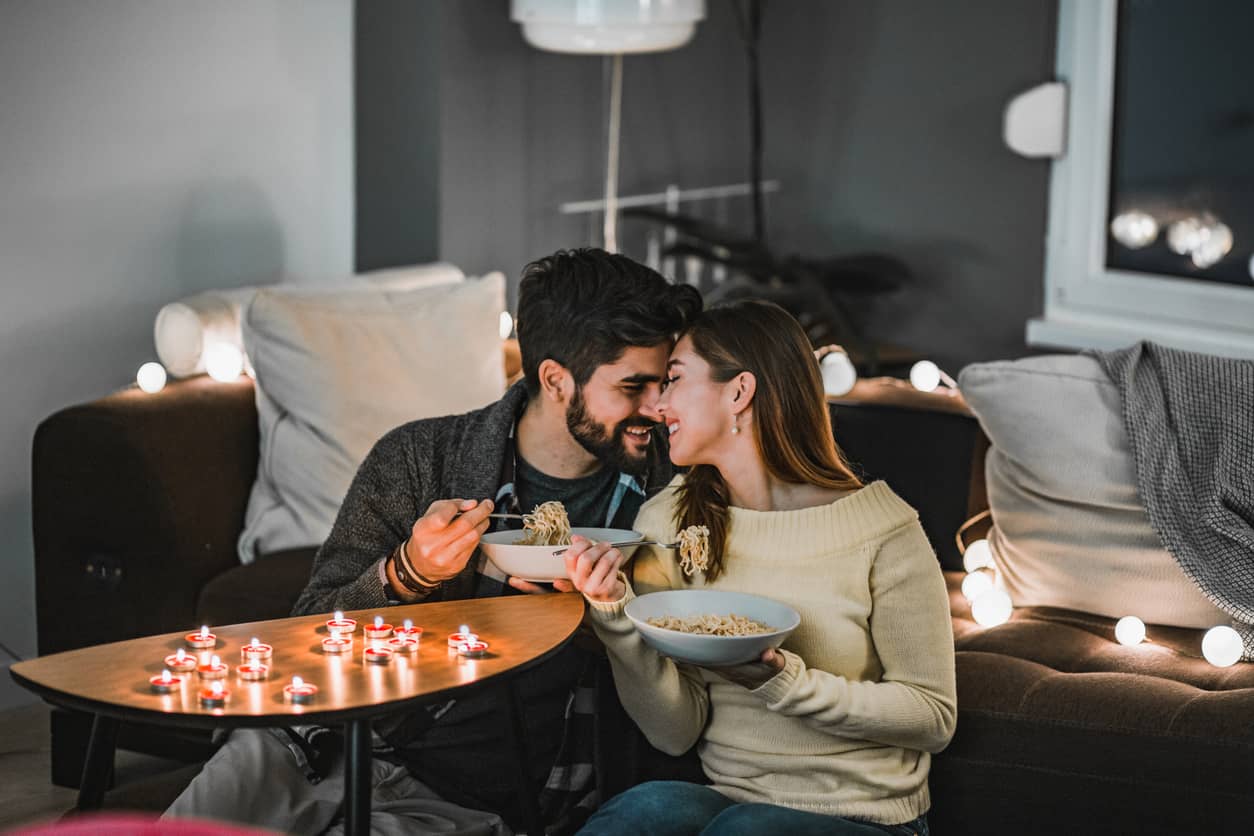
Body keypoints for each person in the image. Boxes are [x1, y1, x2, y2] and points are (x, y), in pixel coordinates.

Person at [163, 249, 702, 835]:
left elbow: (688, 692)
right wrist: (408, 573)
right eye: (634, 386)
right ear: (554, 380)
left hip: (476, 803)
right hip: (325, 747)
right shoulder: (419, 460)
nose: (659, 406)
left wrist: (601, 623)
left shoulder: (675, 492)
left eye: (666, 382)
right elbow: (309, 633)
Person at [562, 300, 956, 836]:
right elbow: (675, 734)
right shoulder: (669, 522)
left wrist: (782, 683)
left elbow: (933, 717)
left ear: (739, 393)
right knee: (638, 814)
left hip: (867, 816)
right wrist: (614, 616)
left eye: (674, 381)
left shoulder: (882, 529)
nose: (658, 406)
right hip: (728, 800)